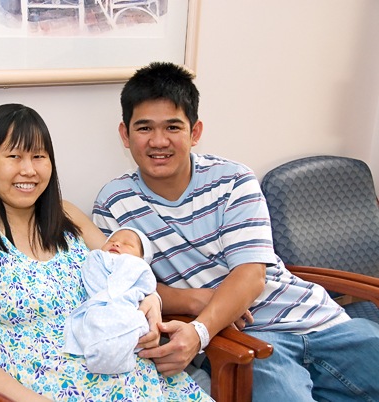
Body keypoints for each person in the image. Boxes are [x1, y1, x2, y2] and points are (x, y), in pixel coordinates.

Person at [92, 62, 379, 402]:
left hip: (320, 320)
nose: (159, 141)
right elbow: (123, 283)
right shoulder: (113, 203)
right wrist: (192, 300)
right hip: (245, 341)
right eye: (144, 128)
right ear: (125, 135)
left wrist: (199, 331)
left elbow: (252, 274)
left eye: (173, 126)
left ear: (195, 132)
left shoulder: (232, 180)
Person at [0, 103, 212, 402]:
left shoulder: (66, 217)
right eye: (14, 156)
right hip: (48, 392)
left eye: (39, 156)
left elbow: (122, 267)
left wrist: (149, 300)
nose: (29, 169)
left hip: (134, 379)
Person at [62, 227, 157, 375]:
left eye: (128, 244)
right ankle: (105, 355)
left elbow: (146, 285)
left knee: (129, 329)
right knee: (96, 324)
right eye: (112, 241)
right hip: (101, 307)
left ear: (142, 258)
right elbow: (92, 280)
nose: (117, 244)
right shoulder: (97, 258)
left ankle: (118, 357)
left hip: (127, 308)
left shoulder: (139, 267)